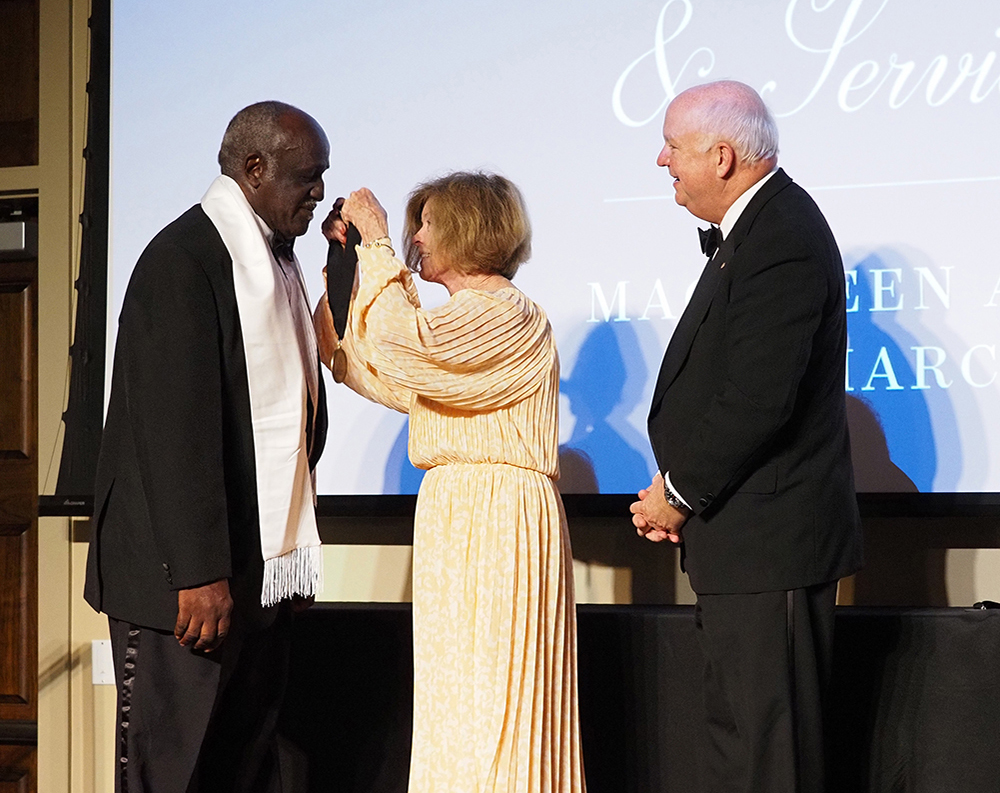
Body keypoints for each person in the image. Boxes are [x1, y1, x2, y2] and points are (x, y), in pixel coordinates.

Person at [84, 100, 330, 793]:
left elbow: (304, 412)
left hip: (251, 577)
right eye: (305, 177)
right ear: (254, 169)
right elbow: (174, 430)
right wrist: (197, 572)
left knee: (241, 770)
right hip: (184, 587)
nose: (317, 192)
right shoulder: (183, 260)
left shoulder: (276, 267)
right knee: (174, 774)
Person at [315, 172, 587, 792]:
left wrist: (378, 243)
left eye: (428, 223)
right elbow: (385, 369)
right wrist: (349, 262)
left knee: (498, 700)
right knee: (457, 702)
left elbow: (400, 340)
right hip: (457, 515)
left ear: (467, 229)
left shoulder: (507, 313)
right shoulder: (458, 323)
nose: (415, 236)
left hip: (500, 519)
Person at [630, 81, 863, 793]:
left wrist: (676, 491)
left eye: (674, 145)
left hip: (772, 546)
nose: (660, 158)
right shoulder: (757, 233)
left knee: (771, 755)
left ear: (723, 155)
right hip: (744, 544)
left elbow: (757, 399)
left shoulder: (782, 237)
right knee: (744, 747)